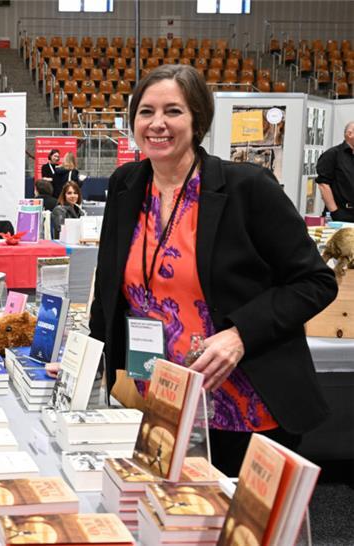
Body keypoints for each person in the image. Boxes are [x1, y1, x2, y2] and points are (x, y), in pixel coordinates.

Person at [88, 64, 337, 477]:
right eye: (146, 112)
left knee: (239, 535)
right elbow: (110, 278)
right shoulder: (126, 183)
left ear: (198, 119)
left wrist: (240, 335)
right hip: (160, 397)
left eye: (173, 111)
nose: (157, 124)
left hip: (246, 402)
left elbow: (315, 282)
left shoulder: (247, 187)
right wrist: (91, 358)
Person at [316, 121, 354, 222]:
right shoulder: (332, 154)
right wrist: (335, 213)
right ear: (350, 134)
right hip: (341, 215)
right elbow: (323, 185)